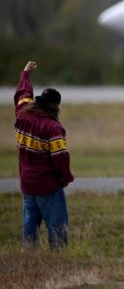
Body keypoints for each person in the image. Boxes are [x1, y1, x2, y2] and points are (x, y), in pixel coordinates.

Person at [13, 60, 75, 250]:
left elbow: (22, 95)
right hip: (48, 186)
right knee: (57, 227)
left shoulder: (22, 114)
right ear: (55, 107)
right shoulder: (53, 128)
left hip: (27, 184)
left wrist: (25, 74)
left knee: (30, 226)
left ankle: (30, 256)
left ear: (39, 102)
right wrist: (64, 179)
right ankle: (58, 258)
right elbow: (60, 159)